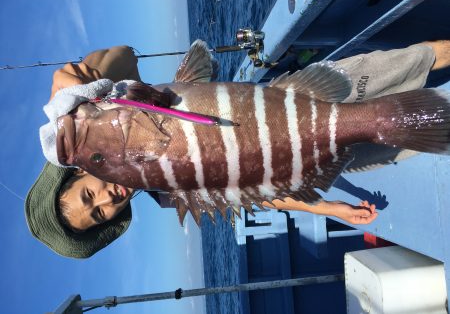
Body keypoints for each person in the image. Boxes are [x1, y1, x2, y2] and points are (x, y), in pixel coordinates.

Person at [25, 40, 450, 258]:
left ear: (76, 172)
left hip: (306, 101)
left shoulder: (125, 105)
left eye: (88, 194)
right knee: (406, 138)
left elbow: (123, 55)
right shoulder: (170, 194)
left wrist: (86, 77)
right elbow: (260, 192)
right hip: (320, 152)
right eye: (99, 213)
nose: (106, 198)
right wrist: (328, 209)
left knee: (417, 61)